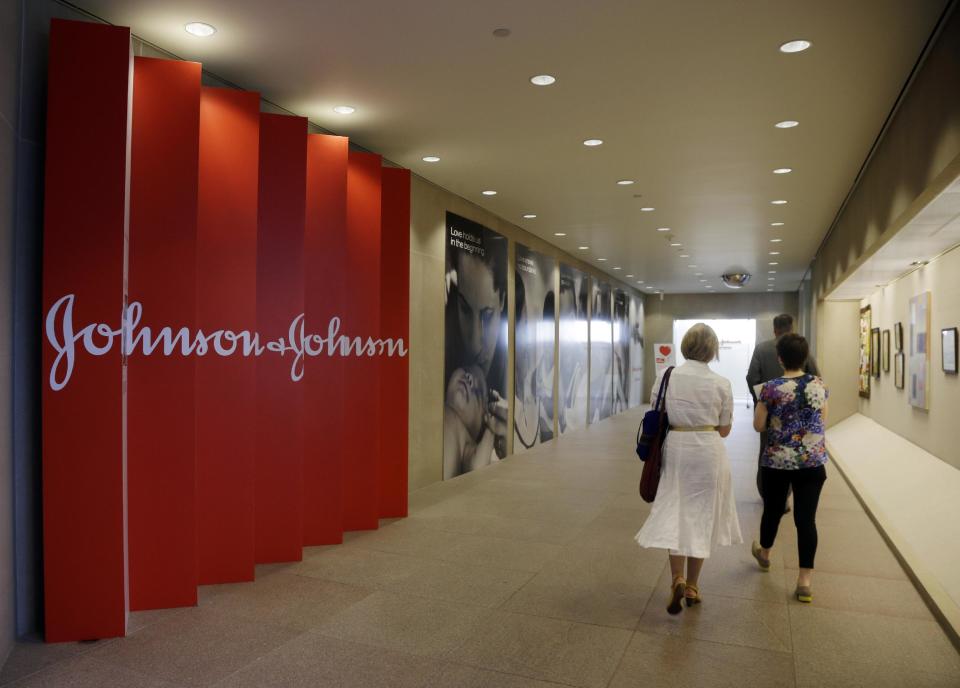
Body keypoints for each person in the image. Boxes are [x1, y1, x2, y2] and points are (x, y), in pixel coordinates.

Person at [635, 323, 742, 614]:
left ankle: (676, 578)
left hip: (677, 449)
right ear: (713, 350)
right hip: (708, 450)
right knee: (701, 516)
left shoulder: (667, 377)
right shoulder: (721, 383)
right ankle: (693, 585)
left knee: (675, 510)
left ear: (684, 346)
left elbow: (656, 412)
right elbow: (724, 430)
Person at [750, 333, 829, 603]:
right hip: (812, 463)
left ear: (780, 358)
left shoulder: (769, 388)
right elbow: (823, 418)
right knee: (806, 521)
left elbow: (758, 426)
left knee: (772, 511)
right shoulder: (819, 385)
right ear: (805, 357)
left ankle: (765, 554)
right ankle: (804, 581)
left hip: (777, 462)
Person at [747, 313, 820, 505]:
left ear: (774, 329)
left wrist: (761, 403)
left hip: (768, 414)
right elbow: (816, 377)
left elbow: (751, 377)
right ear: (792, 328)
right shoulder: (801, 350)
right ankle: (787, 495)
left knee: (767, 450)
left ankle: (768, 494)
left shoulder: (761, 349)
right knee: (794, 451)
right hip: (797, 416)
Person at [442, 365, 501, 479]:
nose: (470, 378)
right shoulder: (438, 408)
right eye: (466, 370)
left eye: (478, 393)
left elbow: (477, 467)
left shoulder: (466, 442)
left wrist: (491, 429)